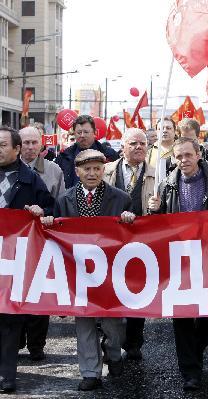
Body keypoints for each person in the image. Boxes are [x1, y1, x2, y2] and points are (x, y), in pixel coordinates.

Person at [147, 137, 208, 391]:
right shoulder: (167, 184)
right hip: (180, 259)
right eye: (178, 156)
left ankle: (195, 356)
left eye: (188, 155)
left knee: (206, 315)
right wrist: (154, 210)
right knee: (182, 317)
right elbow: (158, 225)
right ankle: (190, 371)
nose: (183, 160)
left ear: (199, 154)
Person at [41, 149, 135, 391]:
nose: (92, 173)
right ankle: (90, 372)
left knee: (114, 326)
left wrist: (130, 219)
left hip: (111, 273)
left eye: (97, 169)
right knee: (83, 322)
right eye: (87, 169)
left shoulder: (121, 198)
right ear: (77, 171)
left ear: (103, 170)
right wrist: (51, 222)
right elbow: (59, 236)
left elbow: (135, 236)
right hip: (79, 273)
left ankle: (113, 353)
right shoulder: (64, 200)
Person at [0, 126, 54, 393]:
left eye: (2, 145)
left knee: (9, 318)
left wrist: (41, 210)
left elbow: (51, 207)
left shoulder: (31, 180)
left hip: (14, 259)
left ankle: (6, 375)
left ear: (17, 149)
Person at [103, 128, 155, 361]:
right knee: (111, 289)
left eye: (142, 143)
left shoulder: (158, 174)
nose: (138, 147)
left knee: (138, 290)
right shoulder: (106, 172)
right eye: (133, 143)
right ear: (122, 146)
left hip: (143, 241)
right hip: (111, 241)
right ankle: (111, 340)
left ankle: (134, 342)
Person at [16, 126, 65, 361]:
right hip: (12, 242)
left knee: (39, 292)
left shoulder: (54, 171)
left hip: (42, 240)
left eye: (34, 142)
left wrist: (44, 212)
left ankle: (36, 344)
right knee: (13, 288)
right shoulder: (8, 170)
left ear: (41, 144)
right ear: (18, 145)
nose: (30, 147)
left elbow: (60, 206)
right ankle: (14, 341)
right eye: (25, 142)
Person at [54, 115, 119, 189]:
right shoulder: (64, 156)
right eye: (79, 132)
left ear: (94, 133)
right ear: (74, 133)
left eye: (86, 132)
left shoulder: (109, 155)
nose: (82, 135)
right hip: (71, 199)